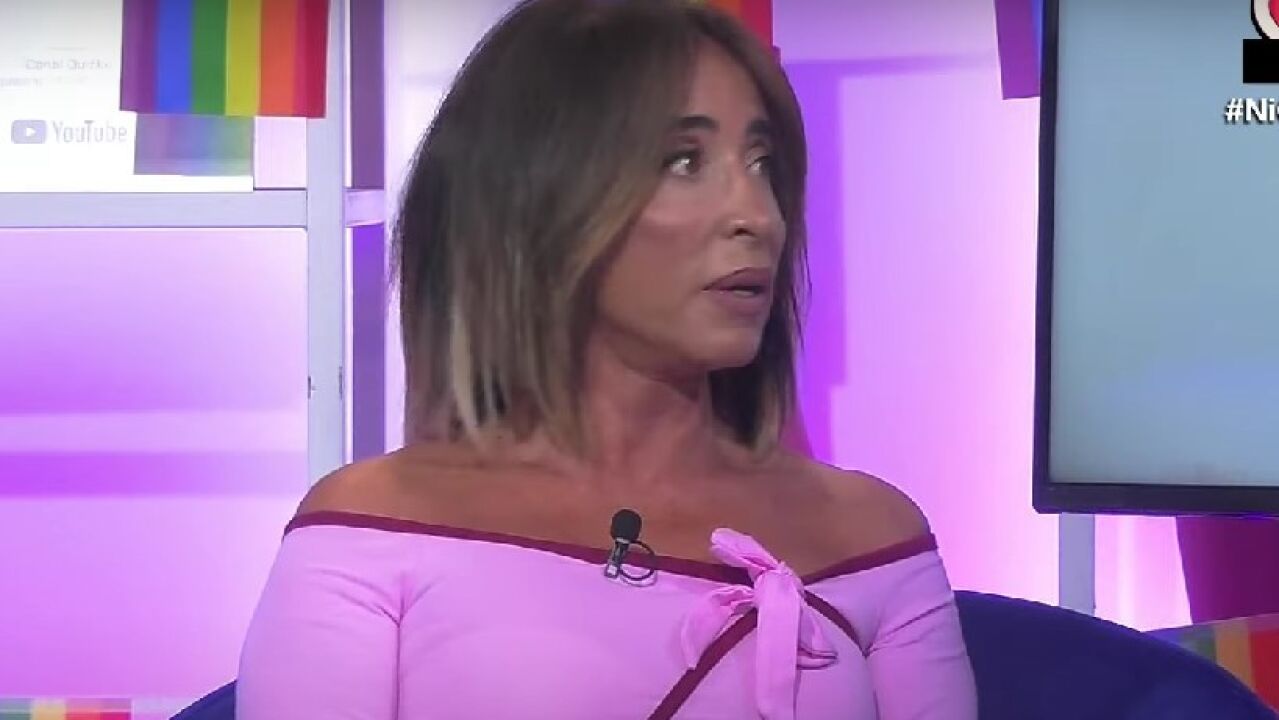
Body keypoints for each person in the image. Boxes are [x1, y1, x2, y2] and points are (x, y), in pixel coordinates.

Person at [237, 0, 977, 718]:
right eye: (684, 161)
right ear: (535, 204)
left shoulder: (872, 535)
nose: (757, 215)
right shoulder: (370, 530)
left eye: (762, 164)